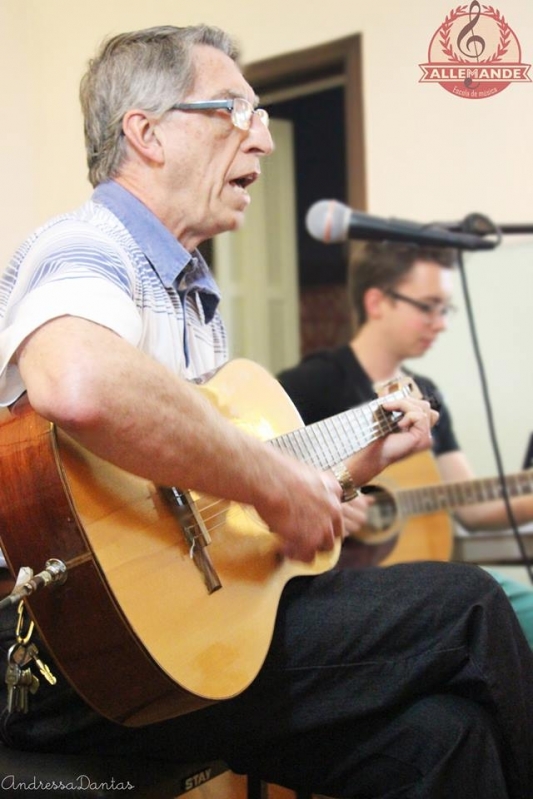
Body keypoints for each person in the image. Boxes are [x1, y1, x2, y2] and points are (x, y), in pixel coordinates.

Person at [0, 25, 532, 799]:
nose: (265, 140)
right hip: (61, 661)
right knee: (470, 607)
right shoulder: (88, 245)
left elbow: (205, 521)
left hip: (171, 642)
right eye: (235, 110)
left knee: (444, 736)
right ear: (144, 134)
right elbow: (76, 380)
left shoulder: (191, 297)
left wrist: (344, 473)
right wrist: (274, 482)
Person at [278, 240, 533, 647]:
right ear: (378, 302)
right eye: (428, 306)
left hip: (419, 575)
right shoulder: (311, 384)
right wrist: (324, 499)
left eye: (445, 308)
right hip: (333, 587)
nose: (441, 322)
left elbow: (470, 505)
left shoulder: (424, 395)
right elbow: (261, 474)